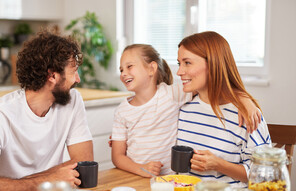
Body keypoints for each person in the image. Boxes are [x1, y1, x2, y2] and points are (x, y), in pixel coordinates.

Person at [0, 30, 93, 191]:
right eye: (73, 71)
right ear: (52, 75)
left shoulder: (73, 101)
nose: (77, 79)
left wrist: (40, 181)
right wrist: (48, 180)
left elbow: (84, 162)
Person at [111, 44, 260, 177]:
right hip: (134, 176)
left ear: (151, 68)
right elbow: (117, 156)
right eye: (121, 69)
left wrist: (244, 99)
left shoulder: (172, 95)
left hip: (168, 179)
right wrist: (140, 168)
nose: (123, 73)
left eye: (129, 66)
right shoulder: (122, 111)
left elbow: (218, 84)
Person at [176, 31, 270, 188]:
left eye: (187, 63)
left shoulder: (246, 116)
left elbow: (263, 175)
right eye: (179, 63)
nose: (179, 72)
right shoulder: (183, 109)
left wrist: (219, 165)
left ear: (213, 64)